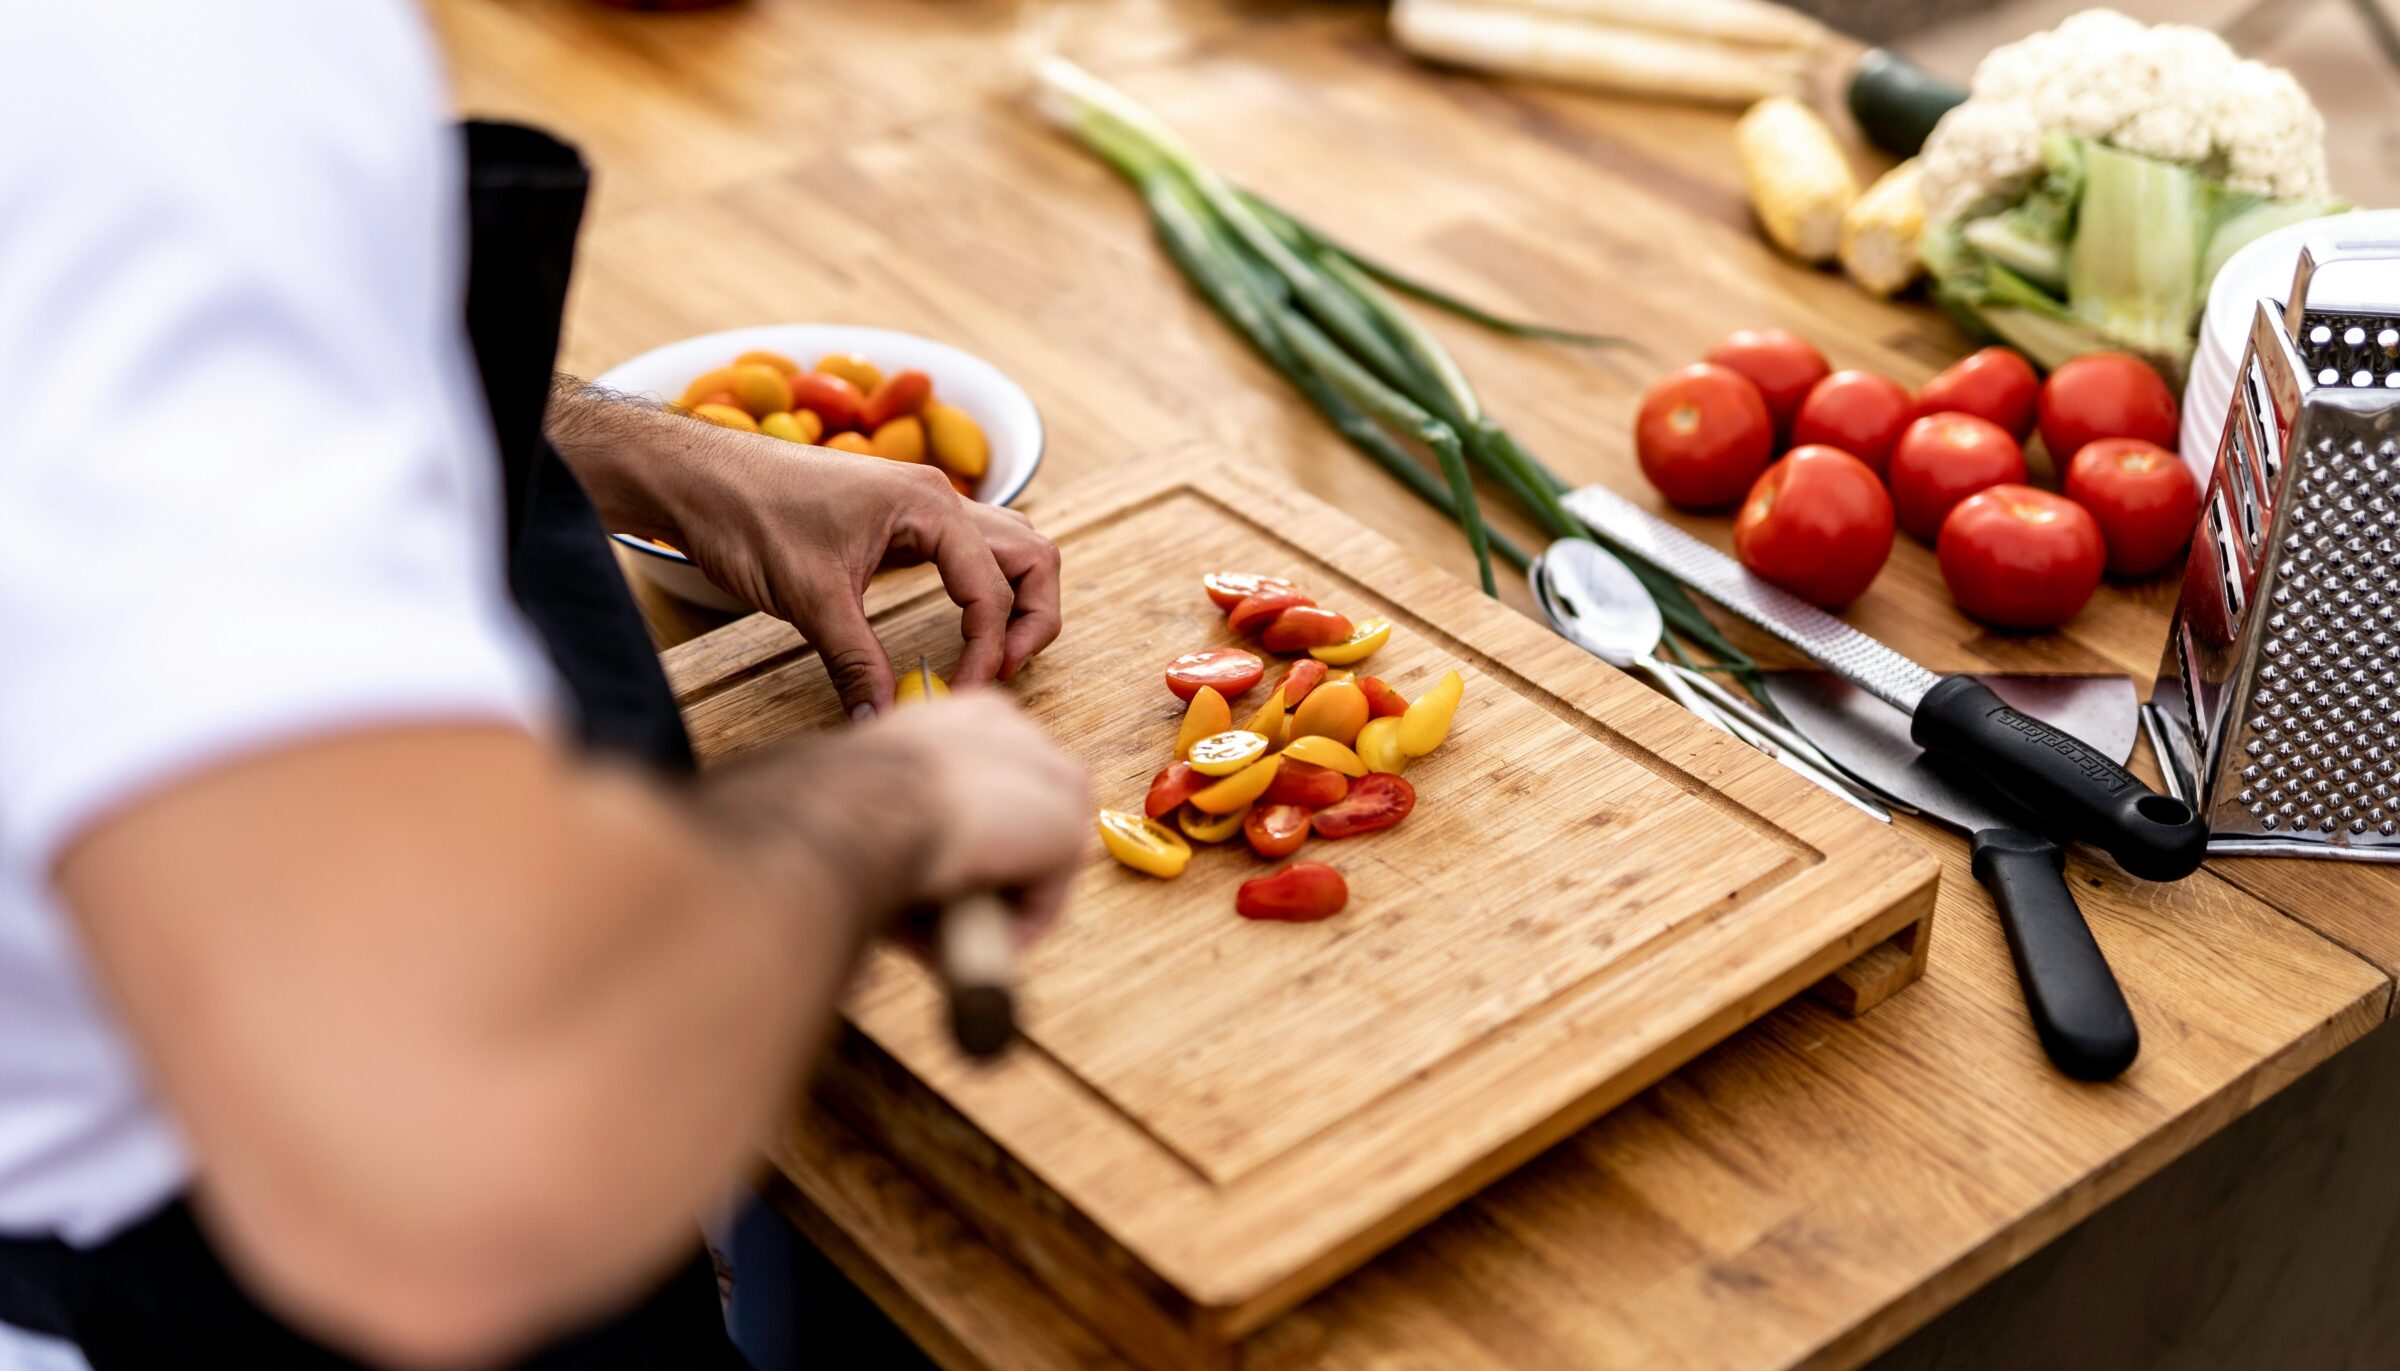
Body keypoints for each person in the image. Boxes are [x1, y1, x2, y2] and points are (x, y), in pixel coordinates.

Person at [0, 3, 1089, 1368]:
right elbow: (455, 1147)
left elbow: (176, 353)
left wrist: (665, 455)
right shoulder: (166, 65)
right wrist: (887, 805)